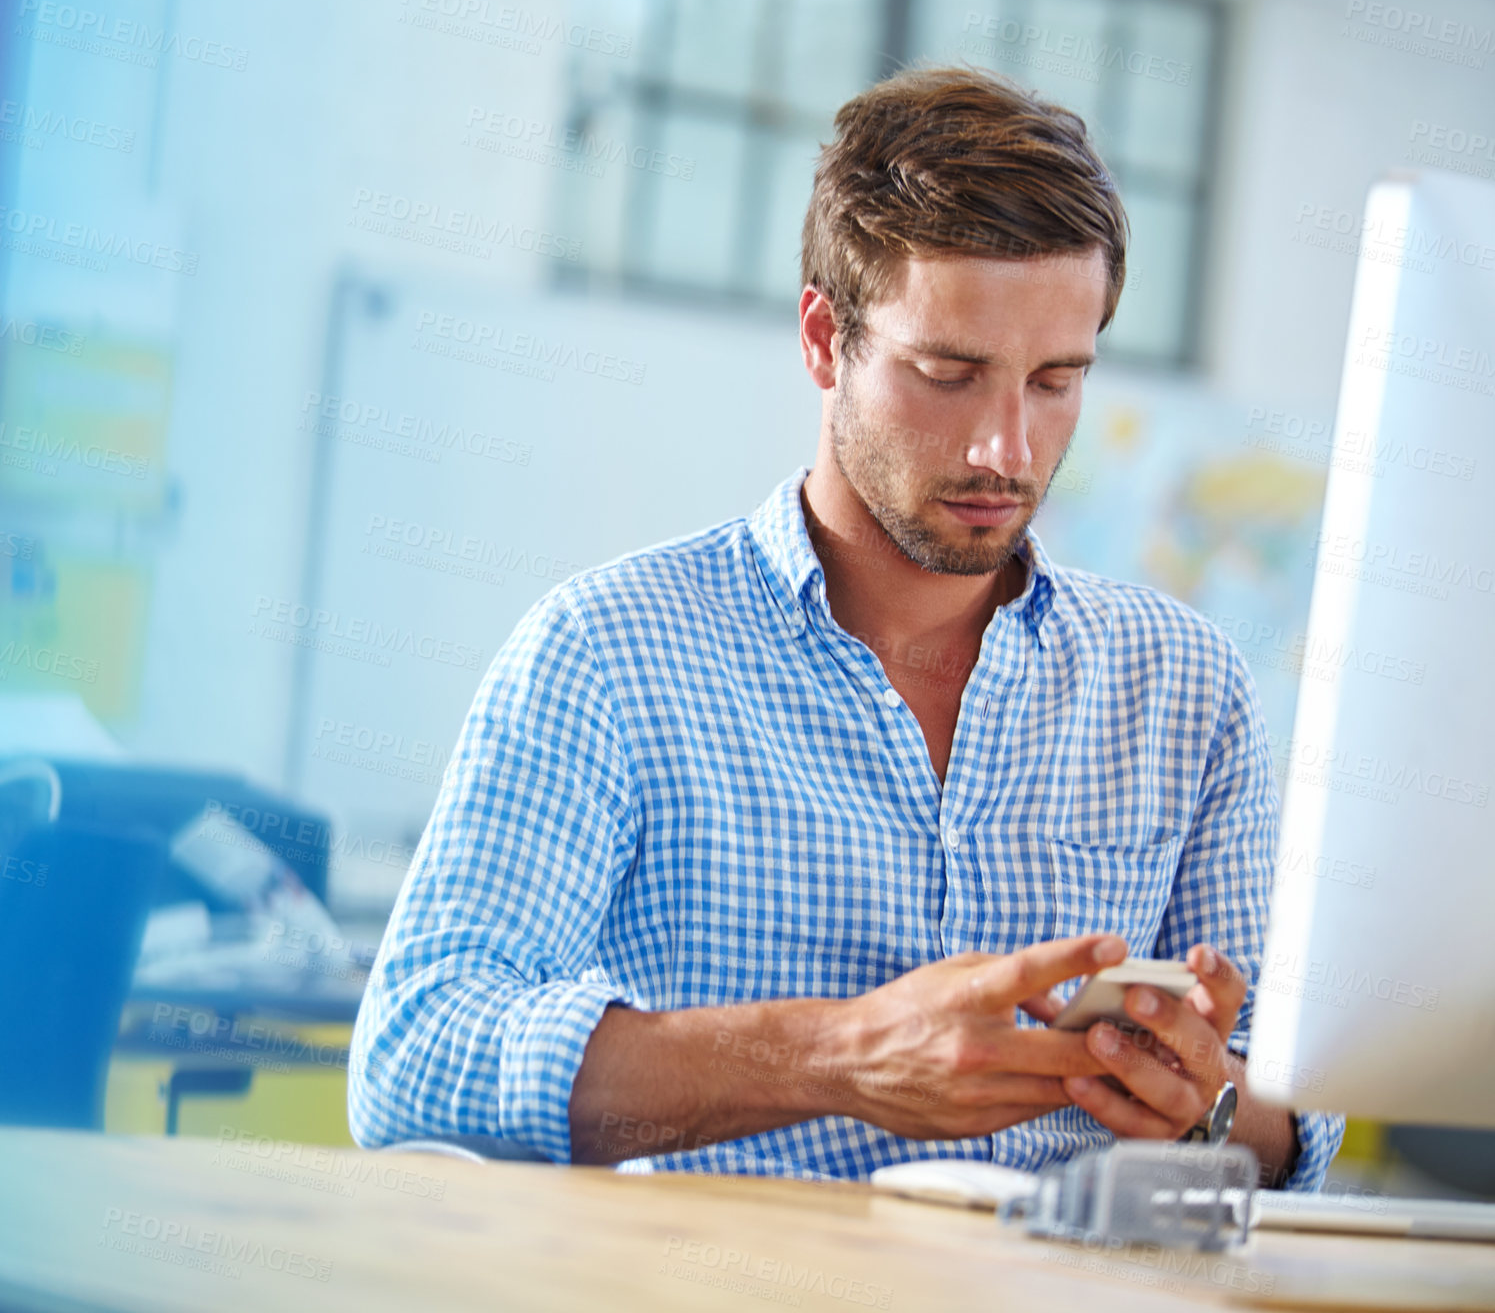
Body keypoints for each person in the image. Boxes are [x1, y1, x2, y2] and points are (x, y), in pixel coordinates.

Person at [349, 65, 1344, 1190]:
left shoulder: (1184, 686)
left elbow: (1288, 1114)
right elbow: (414, 1057)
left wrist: (1201, 1103)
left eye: (1056, 381)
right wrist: (835, 1057)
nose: (1005, 451)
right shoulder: (608, 652)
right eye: (949, 374)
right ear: (825, 340)